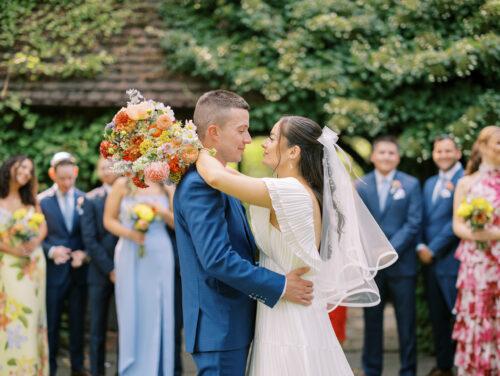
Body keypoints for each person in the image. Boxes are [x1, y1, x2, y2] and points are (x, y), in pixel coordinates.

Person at [196, 114, 398, 375]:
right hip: (282, 304)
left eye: (271, 138)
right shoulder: (292, 189)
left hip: (291, 314)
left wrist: (190, 145)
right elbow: (222, 172)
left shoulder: (291, 192)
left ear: (293, 152)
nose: (263, 145)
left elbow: (216, 178)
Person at [174, 91, 318, 375]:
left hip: (235, 324)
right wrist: (279, 285)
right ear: (214, 133)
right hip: (220, 325)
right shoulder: (200, 185)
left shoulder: (221, 179)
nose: (250, 139)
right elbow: (217, 259)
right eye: (242, 130)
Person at [356, 136, 422, 376]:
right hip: (372, 266)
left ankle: (408, 371)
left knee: (407, 323)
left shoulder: (411, 184)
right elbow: (357, 222)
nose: (386, 157)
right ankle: (371, 370)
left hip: (402, 265)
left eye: (391, 153)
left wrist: (389, 249)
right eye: (381, 152)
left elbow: (413, 223)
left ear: (398, 157)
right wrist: (374, 251)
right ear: (373, 156)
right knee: (372, 323)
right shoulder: (360, 185)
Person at [103, 177, 176, 375]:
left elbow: (179, 223)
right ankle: (131, 368)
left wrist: (161, 212)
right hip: (129, 252)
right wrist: (130, 234)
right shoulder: (122, 184)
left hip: (159, 253)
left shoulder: (166, 184)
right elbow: (108, 220)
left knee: (158, 308)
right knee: (131, 308)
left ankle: (159, 369)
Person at [452, 125, 499, 376]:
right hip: (477, 262)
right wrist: (478, 235)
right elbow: (457, 224)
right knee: (479, 314)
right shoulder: (466, 182)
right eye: (498, 143)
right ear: (482, 146)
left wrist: (496, 234)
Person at [417, 135, 463, 376]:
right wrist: (421, 246)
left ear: (458, 153)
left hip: (454, 260)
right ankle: (444, 366)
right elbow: (423, 219)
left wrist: (432, 248)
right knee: (438, 317)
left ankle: (465, 365)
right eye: (439, 151)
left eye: (448, 151)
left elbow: (456, 221)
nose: (443, 155)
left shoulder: (466, 180)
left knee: (460, 316)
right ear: (433, 154)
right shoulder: (430, 182)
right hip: (429, 261)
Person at [39, 153, 88, 376]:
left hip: (78, 274)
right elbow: (35, 238)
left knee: (78, 324)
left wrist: (84, 254)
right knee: (52, 324)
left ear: (75, 174)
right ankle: (50, 368)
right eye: (62, 179)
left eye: (70, 178)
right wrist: (51, 251)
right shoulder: (41, 201)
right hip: (53, 274)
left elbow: (90, 234)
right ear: (52, 175)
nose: (67, 183)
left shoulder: (85, 199)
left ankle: (77, 368)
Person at [0, 155, 49, 375]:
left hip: (32, 265)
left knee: (30, 315)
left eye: (30, 170)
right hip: (6, 264)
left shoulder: (30, 200)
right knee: (9, 314)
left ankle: (29, 368)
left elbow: (43, 227)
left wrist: (34, 242)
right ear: (11, 167)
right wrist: (12, 250)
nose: (26, 173)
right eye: (23, 168)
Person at [80, 157, 119, 376]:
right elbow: (89, 240)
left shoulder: (128, 196)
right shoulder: (91, 199)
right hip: (99, 273)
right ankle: (96, 371)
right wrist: (109, 268)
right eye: (102, 167)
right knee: (97, 328)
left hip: (125, 270)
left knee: (124, 325)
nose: (106, 171)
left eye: (110, 166)